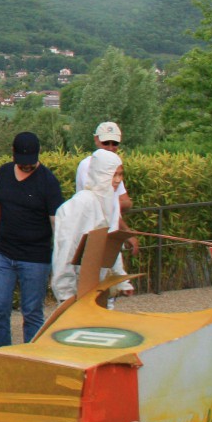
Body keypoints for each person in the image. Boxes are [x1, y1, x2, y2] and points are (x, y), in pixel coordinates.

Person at [0, 132, 64, 347]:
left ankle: (31, 360)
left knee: (32, 312)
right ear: (13, 154)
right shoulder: (4, 173)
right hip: (3, 253)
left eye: (31, 163)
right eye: (22, 163)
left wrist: (61, 259)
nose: (26, 167)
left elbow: (57, 223)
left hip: (35, 257)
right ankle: (0, 357)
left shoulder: (48, 182)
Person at [50, 148, 123, 302]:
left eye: (120, 174)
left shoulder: (110, 203)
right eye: (113, 174)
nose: (117, 180)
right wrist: (66, 295)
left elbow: (112, 245)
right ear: (101, 174)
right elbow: (66, 249)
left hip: (98, 287)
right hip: (77, 288)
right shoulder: (81, 204)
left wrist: (121, 278)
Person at [74, 121, 136, 293]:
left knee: (107, 292)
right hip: (90, 235)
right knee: (90, 290)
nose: (110, 147)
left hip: (106, 234)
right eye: (106, 143)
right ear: (96, 140)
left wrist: (126, 233)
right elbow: (112, 204)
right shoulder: (88, 165)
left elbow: (122, 203)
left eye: (114, 143)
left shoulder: (114, 165)